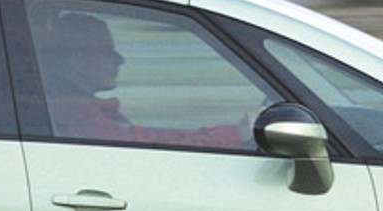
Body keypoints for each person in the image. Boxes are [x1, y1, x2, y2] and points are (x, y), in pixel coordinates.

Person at [38, 11, 256, 150]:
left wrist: (230, 134)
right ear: (76, 59)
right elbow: (143, 147)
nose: (120, 60)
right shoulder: (75, 113)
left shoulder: (77, 106)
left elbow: (152, 136)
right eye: (107, 51)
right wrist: (236, 135)